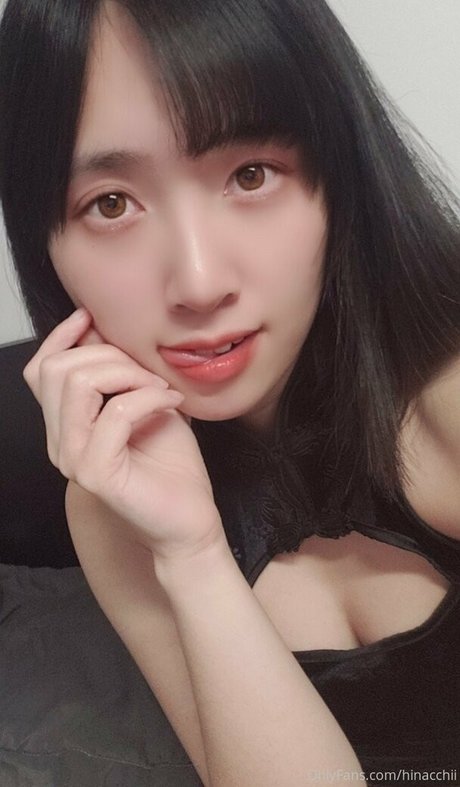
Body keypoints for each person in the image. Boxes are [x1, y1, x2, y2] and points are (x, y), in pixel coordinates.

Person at [1, 0, 459, 784]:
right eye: (111, 203)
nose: (199, 281)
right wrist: (194, 556)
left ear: (337, 180)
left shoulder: (444, 395)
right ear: (46, 246)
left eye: (250, 174)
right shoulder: (112, 503)